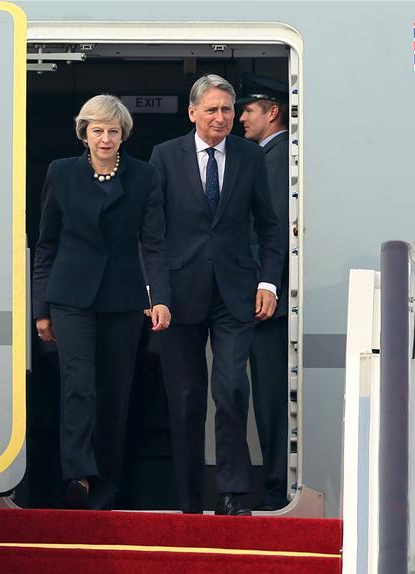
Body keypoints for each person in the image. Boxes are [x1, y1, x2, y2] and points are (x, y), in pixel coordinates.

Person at [150, 74, 283, 516]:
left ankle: (231, 494)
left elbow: (269, 225)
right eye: (212, 110)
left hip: (234, 292)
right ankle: (189, 502)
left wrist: (268, 282)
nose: (222, 117)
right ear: (192, 114)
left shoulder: (249, 155)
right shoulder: (165, 156)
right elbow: (152, 234)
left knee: (230, 389)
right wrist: (157, 294)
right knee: (186, 398)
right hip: (179, 295)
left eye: (227, 109)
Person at [32, 94, 171, 510]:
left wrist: (158, 297)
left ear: (123, 134)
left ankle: (108, 485)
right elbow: (46, 244)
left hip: (124, 300)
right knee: (79, 387)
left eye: (113, 131)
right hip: (70, 297)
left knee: (115, 392)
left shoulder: (144, 176)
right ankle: (78, 475)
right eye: (98, 130)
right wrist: (41, 309)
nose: (105, 138)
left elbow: (154, 244)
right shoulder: (61, 173)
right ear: (84, 133)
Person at [238, 74, 291, 511]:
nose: (240, 118)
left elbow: (266, 230)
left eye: (248, 110)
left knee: (270, 398)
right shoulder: (267, 155)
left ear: (271, 112)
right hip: (263, 296)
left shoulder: (273, 159)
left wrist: (259, 283)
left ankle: (275, 485)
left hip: (265, 301)